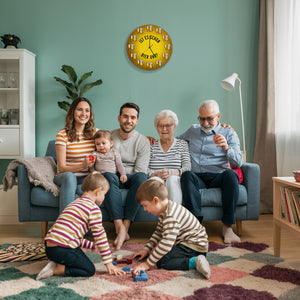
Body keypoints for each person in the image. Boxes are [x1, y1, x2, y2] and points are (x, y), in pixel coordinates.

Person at [36, 172, 125, 280]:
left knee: (74, 250)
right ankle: (56, 269)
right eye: (104, 194)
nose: (104, 198)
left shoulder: (74, 203)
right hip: (62, 249)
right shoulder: (93, 209)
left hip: (50, 249)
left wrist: (92, 245)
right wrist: (109, 263)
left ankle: (58, 261)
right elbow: (100, 236)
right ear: (98, 191)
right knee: (88, 269)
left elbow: (71, 235)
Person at [179, 99, 243, 244]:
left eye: (210, 118)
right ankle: (195, 227)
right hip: (197, 177)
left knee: (231, 175)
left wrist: (227, 148)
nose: (206, 123)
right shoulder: (192, 130)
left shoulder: (229, 133)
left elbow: (238, 162)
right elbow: (174, 142)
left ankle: (227, 228)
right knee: (187, 175)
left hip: (219, 176)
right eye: (202, 119)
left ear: (218, 116)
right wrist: (152, 141)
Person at [132, 179, 210, 279]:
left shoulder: (170, 216)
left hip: (194, 246)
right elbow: (158, 233)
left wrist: (147, 264)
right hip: (190, 244)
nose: (145, 209)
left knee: (162, 262)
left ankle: (194, 262)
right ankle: (193, 258)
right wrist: (147, 250)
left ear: (155, 200)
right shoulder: (165, 211)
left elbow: (166, 244)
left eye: (145, 205)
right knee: (159, 256)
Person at [104, 102, 150, 250]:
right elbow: (103, 160)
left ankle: (125, 227)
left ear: (137, 120)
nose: (128, 120)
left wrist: (125, 175)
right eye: (125, 116)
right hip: (114, 176)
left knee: (142, 178)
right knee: (109, 175)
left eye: (132, 117)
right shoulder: (109, 137)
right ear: (119, 118)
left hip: (132, 176)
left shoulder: (142, 141)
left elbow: (140, 170)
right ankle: (120, 228)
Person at [54, 97, 99, 213]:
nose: (84, 113)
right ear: (72, 112)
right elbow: (62, 167)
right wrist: (82, 165)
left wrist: (143, 138)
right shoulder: (62, 135)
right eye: (80, 109)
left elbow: (114, 140)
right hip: (65, 177)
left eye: (87, 110)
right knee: (70, 176)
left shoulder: (95, 134)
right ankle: (65, 224)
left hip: (85, 179)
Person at [148, 109, 191, 204]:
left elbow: (187, 167)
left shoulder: (182, 144)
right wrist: (156, 174)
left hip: (175, 180)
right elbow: (144, 168)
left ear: (174, 127)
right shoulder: (150, 145)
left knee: (172, 179)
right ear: (156, 127)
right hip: (155, 179)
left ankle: (174, 215)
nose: (164, 129)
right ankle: (160, 215)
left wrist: (173, 172)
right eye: (160, 126)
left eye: (168, 125)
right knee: (155, 181)